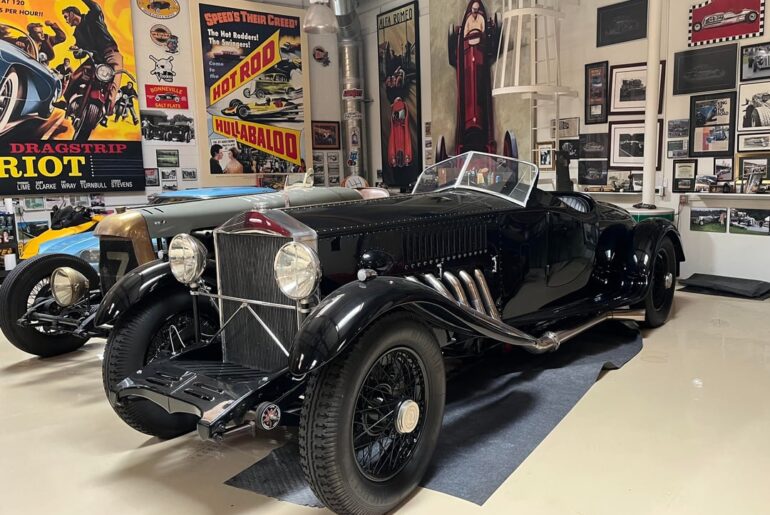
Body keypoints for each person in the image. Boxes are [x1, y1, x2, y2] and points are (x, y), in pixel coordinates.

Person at [62, 0, 123, 114]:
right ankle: (68, 103)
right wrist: (77, 51)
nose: (66, 20)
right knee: (74, 77)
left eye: (66, 17)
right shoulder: (77, 33)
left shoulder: (92, 17)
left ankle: (109, 106)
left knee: (115, 76)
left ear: (72, 14)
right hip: (93, 58)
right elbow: (80, 52)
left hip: (110, 53)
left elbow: (96, 7)